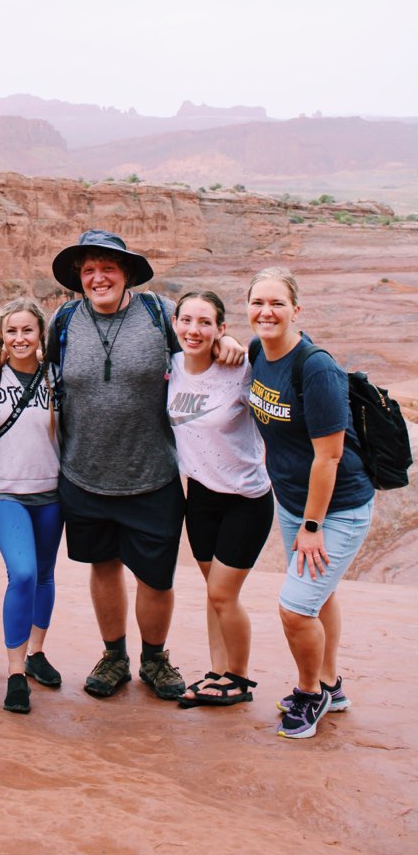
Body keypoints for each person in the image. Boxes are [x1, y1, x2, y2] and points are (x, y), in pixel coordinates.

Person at [47, 229, 245, 701]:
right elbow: (30, 359)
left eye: (107, 268)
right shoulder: (64, 321)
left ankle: (154, 659)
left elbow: (198, 355)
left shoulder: (157, 315)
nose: (98, 278)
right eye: (88, 270)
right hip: (84, 474)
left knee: (155, 578)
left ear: (127, 273)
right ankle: (114, 656)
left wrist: (228, 340)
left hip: (153, 475)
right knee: (103, 567)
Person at [246, 267, 375, 740]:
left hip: (334, 509)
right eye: (258, 302)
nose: (267, 311)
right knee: (320, 597)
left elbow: (331, 455)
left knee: (296, 609)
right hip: (294, 502)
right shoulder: (259, 351)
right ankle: (330, 684)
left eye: (277, 303)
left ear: (296, 310)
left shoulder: (316, 367)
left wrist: (313, 525)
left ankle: (309, 693)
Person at [166, 290, 273, 707]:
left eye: (205, 323)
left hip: (246, 499)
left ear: (221, 328)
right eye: (187, 321)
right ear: (175, 323)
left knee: (224, 595)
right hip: (202, 499)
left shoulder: (240, 367)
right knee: (213, 592)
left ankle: (239, 679)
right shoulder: (170, 366)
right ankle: (217, 671)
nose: (194, 330)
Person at [0, 297, 64, 714]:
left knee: (46, 575)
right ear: (1, 335)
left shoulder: (56, 378)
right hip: (2, 491)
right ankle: (15, 673)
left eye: (27, 330)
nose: (20, 338)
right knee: (24, 573)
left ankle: (36, 652)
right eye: (11, 331)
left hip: (50, 492)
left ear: (41, 334)